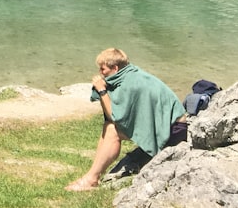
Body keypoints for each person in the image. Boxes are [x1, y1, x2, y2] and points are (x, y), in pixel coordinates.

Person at [65, 48, 187, 192]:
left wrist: (102, 91)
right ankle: (92, 175)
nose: (100, 73)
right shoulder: (129, 75)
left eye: (102, 69)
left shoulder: (131, 84)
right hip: (170, 125)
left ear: (115, 68)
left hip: (175, 131)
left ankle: (92, 179)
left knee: (113, 132)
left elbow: (115, 117)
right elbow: (112, 118)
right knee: (108, 126)